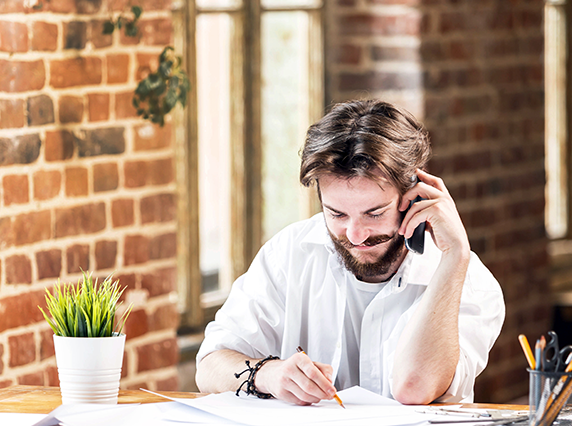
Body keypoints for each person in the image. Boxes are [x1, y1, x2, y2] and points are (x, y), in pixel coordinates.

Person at [195, 99, 504, 405]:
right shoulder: (288, 254)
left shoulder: (470, 282)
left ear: (414, 195)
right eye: (337, 214)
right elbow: (210, 366)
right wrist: (269, 374)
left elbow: (414, 388)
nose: (356, 235)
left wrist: (455, 255)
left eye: (374, 213)